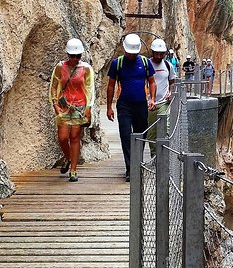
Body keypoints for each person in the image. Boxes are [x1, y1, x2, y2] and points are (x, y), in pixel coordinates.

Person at [106, 33, 156, 182]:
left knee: (141, 136)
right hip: (124, 106)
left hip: (141, 104)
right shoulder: (118, 63)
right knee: (126, 136)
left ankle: (137, 163)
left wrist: (152, 98)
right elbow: (110, 85)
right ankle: (130, 169)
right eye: (129, 52)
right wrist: (109, 107)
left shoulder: (146, 63)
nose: (132, 55)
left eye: (134, 53)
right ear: (125, 50)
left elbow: (152, 82)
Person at [49, 38, 95, 182]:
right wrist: (54, 103)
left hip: (79, 106)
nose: (75, 59)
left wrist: (89, 107)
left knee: (74, 137)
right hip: (63, 106)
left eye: (78, 56)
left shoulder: (86, 69)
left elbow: (90, 88)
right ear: (67, 55)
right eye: (72, 56)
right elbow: (53, 84)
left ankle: (73, 170)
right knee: (62, 137)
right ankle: (68, 158)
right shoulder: (60, 67)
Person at [147, 39, 176, 156]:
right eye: (157, 53)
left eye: (161, 53)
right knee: (152, 132)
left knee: (165, 129)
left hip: (163, 102)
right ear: (152, 52)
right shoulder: (146, 64)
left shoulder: (168, 65)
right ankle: (154, 156)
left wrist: (170, 92)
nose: (159, 56)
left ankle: (164, 155)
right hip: (149, 104)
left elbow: (172, 81)